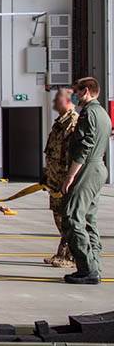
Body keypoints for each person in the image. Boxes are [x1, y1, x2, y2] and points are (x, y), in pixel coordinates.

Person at [60, 77, 110, 285]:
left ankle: (86, 268)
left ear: (87, 91)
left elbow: (84, 147)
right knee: (88, 219)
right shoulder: (103, 114)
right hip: (98, 168)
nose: (75, 95)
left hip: (87, 167)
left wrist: (71, 176)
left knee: (72, 216)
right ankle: (94, 266)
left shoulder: (88, 113)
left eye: (77, 91)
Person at [43, 87, 79, 268]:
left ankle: (71, 256)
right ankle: (63, 253)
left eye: (57, 98)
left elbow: (74, 155)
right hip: (55, 180)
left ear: (67, 101)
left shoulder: (73, 123)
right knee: (59, 218)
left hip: (65, 181)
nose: (54, 102)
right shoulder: (59, 123)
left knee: (67, 218)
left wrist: (69, 179)